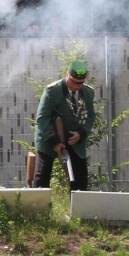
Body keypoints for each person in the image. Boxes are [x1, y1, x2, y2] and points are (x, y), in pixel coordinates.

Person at [32, 60, 95, 190]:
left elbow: (91, 117)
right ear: (67, 75)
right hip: (50, 137)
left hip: (74, 140)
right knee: (43, 176)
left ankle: (78, 208)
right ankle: (39, 207)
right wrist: (54, 142)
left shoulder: (88, 93)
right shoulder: (52, 91)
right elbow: (42, 118)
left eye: (81, 83)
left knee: (80, 178)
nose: (77, 86)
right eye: (74, 82)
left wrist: (81, 134)